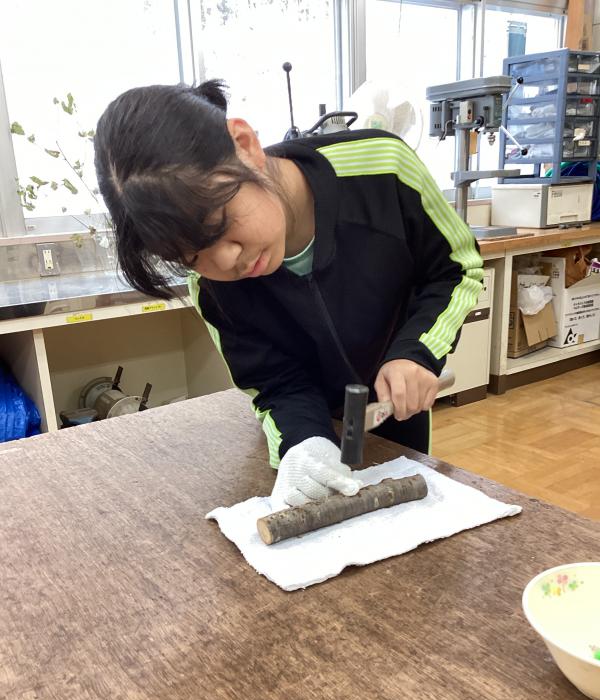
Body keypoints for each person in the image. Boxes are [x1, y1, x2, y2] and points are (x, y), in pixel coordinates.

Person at [94, 79, 483, 507]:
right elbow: (273, 382)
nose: (226, 261)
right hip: (308, 423)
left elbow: (456, 268)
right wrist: (303, 441)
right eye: (191, 256)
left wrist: (417, 352)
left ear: (244, 146)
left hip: (396, 405)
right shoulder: (211, 288)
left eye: (220, 224)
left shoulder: (382, 168)